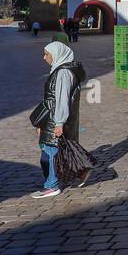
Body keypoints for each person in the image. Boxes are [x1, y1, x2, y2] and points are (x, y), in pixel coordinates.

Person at [33, 40, 92, 198]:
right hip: (51, 117)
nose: (44, 58)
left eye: (47, 54)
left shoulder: (63, 73)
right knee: (57, 150)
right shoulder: (60, 70)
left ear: (57, 54)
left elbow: (62, 98)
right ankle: (80, 171)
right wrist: (41, 123)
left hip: (55, 118)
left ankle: (52, 185)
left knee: (50, 153)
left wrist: (59, 122)